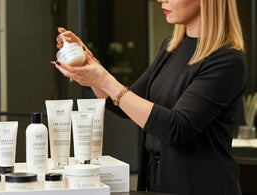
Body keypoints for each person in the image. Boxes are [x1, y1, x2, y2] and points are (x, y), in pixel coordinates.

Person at [51, 0, 246, 194]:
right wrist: (90, 66)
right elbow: (124, 103)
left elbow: (176, 128)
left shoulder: (227, 60)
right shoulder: (171, 48)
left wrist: (104, 79)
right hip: (156, 182)